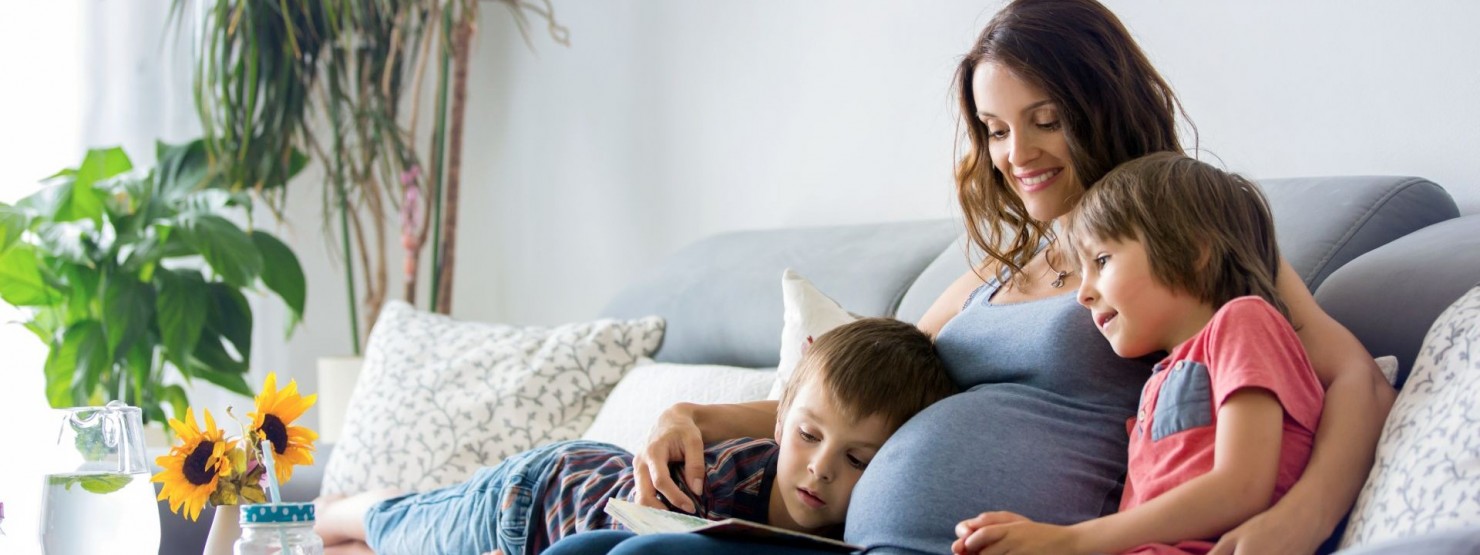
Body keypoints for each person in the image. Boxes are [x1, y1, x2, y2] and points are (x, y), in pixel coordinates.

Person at [547, 1, 1394, 554]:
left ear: (1101, 102)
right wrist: (694, 412)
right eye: (994, 129)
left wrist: (1302, 515)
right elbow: (854, 394)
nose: (1016, 156)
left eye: (1045, 121)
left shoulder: (1180, 247)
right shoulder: (995, 270)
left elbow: (1351, 372)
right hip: (853, 543)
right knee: (591, 546)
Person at [314, 317, 958, 555]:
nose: (819, 471)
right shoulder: (727, 477)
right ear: (783, 412)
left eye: (856, 459)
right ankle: (340, 507)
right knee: (396, 525)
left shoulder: (864, 528)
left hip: (558, 508)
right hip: (534, 499)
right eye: (808, 436)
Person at [952, 152, 1324, 554]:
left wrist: (1068, 540)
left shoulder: (1244, 322)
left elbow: (1242, 487)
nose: (1083, 293)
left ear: (1192, 249)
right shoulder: (1157, 381)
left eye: (1102, 261)